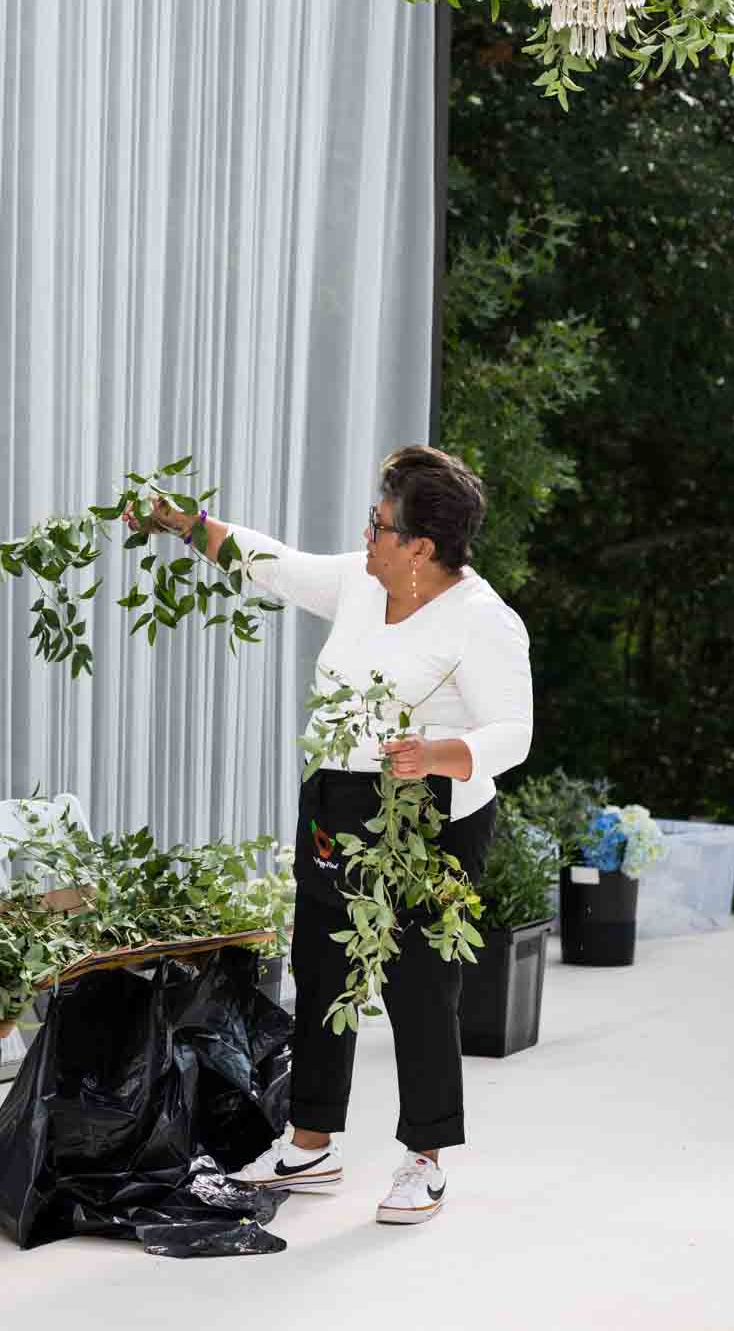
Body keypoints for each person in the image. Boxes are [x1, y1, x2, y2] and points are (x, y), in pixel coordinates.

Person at [134, 444, 533, 1226]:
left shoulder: (482, 620)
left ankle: (424, 1159)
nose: (366, 534)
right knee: (322, 969)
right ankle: (311, 1141)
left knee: (420, 984)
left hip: (430, 818)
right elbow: (275, 565)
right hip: (335, 801)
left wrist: (438, 755)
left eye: (380, 525)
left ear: (421, 546)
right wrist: (190, 526)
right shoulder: (360, 580)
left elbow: (514, 732)